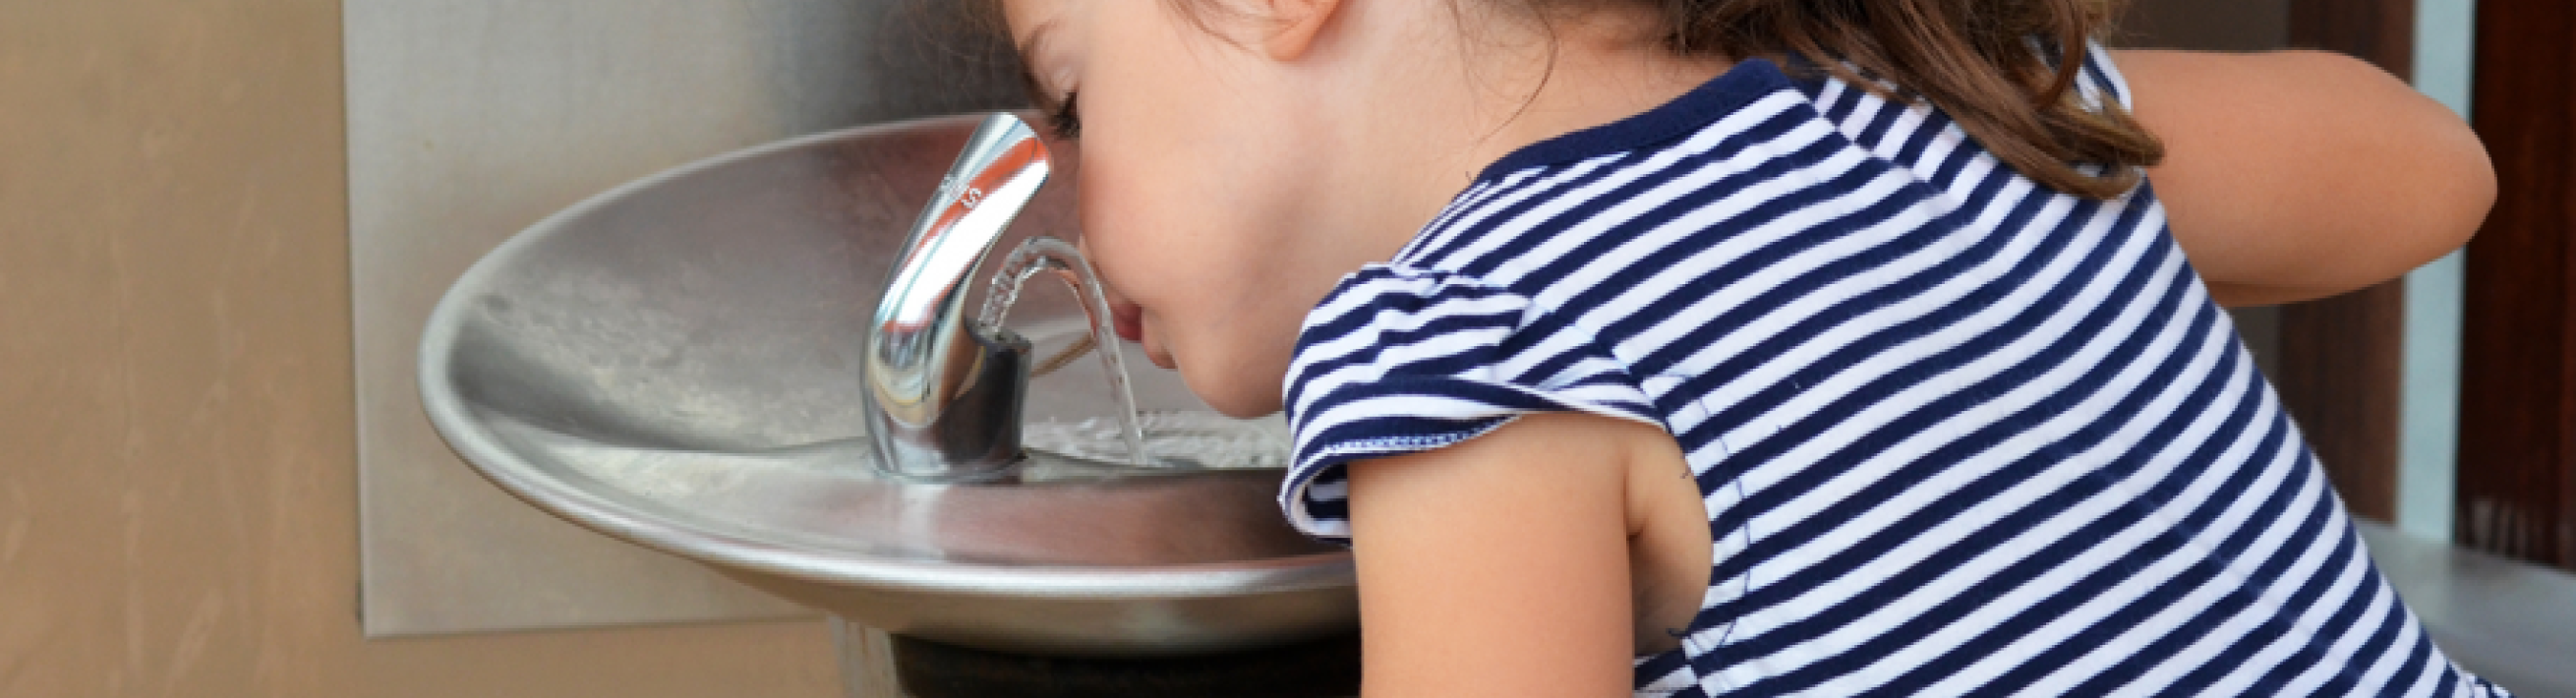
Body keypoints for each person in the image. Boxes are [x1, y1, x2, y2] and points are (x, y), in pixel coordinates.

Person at [988, 0, 2501, 695]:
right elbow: (2436, 171)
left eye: (1071, 99)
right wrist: (2043, 110)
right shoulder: (1923, 97)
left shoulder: (1468, 349)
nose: (1066, 187)